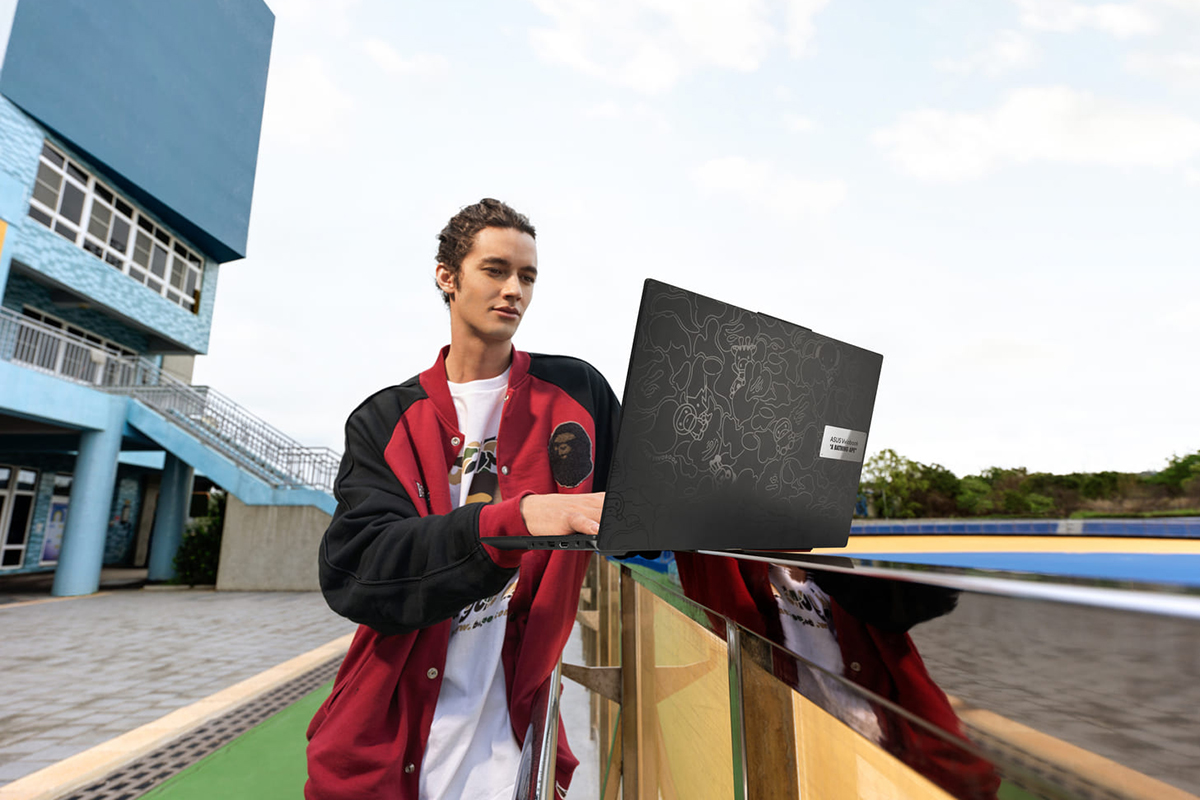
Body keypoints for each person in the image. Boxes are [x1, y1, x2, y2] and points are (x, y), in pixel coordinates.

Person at [306, 199, 620, 800]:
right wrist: (514, 520)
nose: (514, 290)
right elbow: (357, 570)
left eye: (527, 276)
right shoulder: (385, 419)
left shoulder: (577, 394)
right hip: (385, 743)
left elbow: (646, 514)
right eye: (495, 270)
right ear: (447, 277)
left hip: (515, 741)